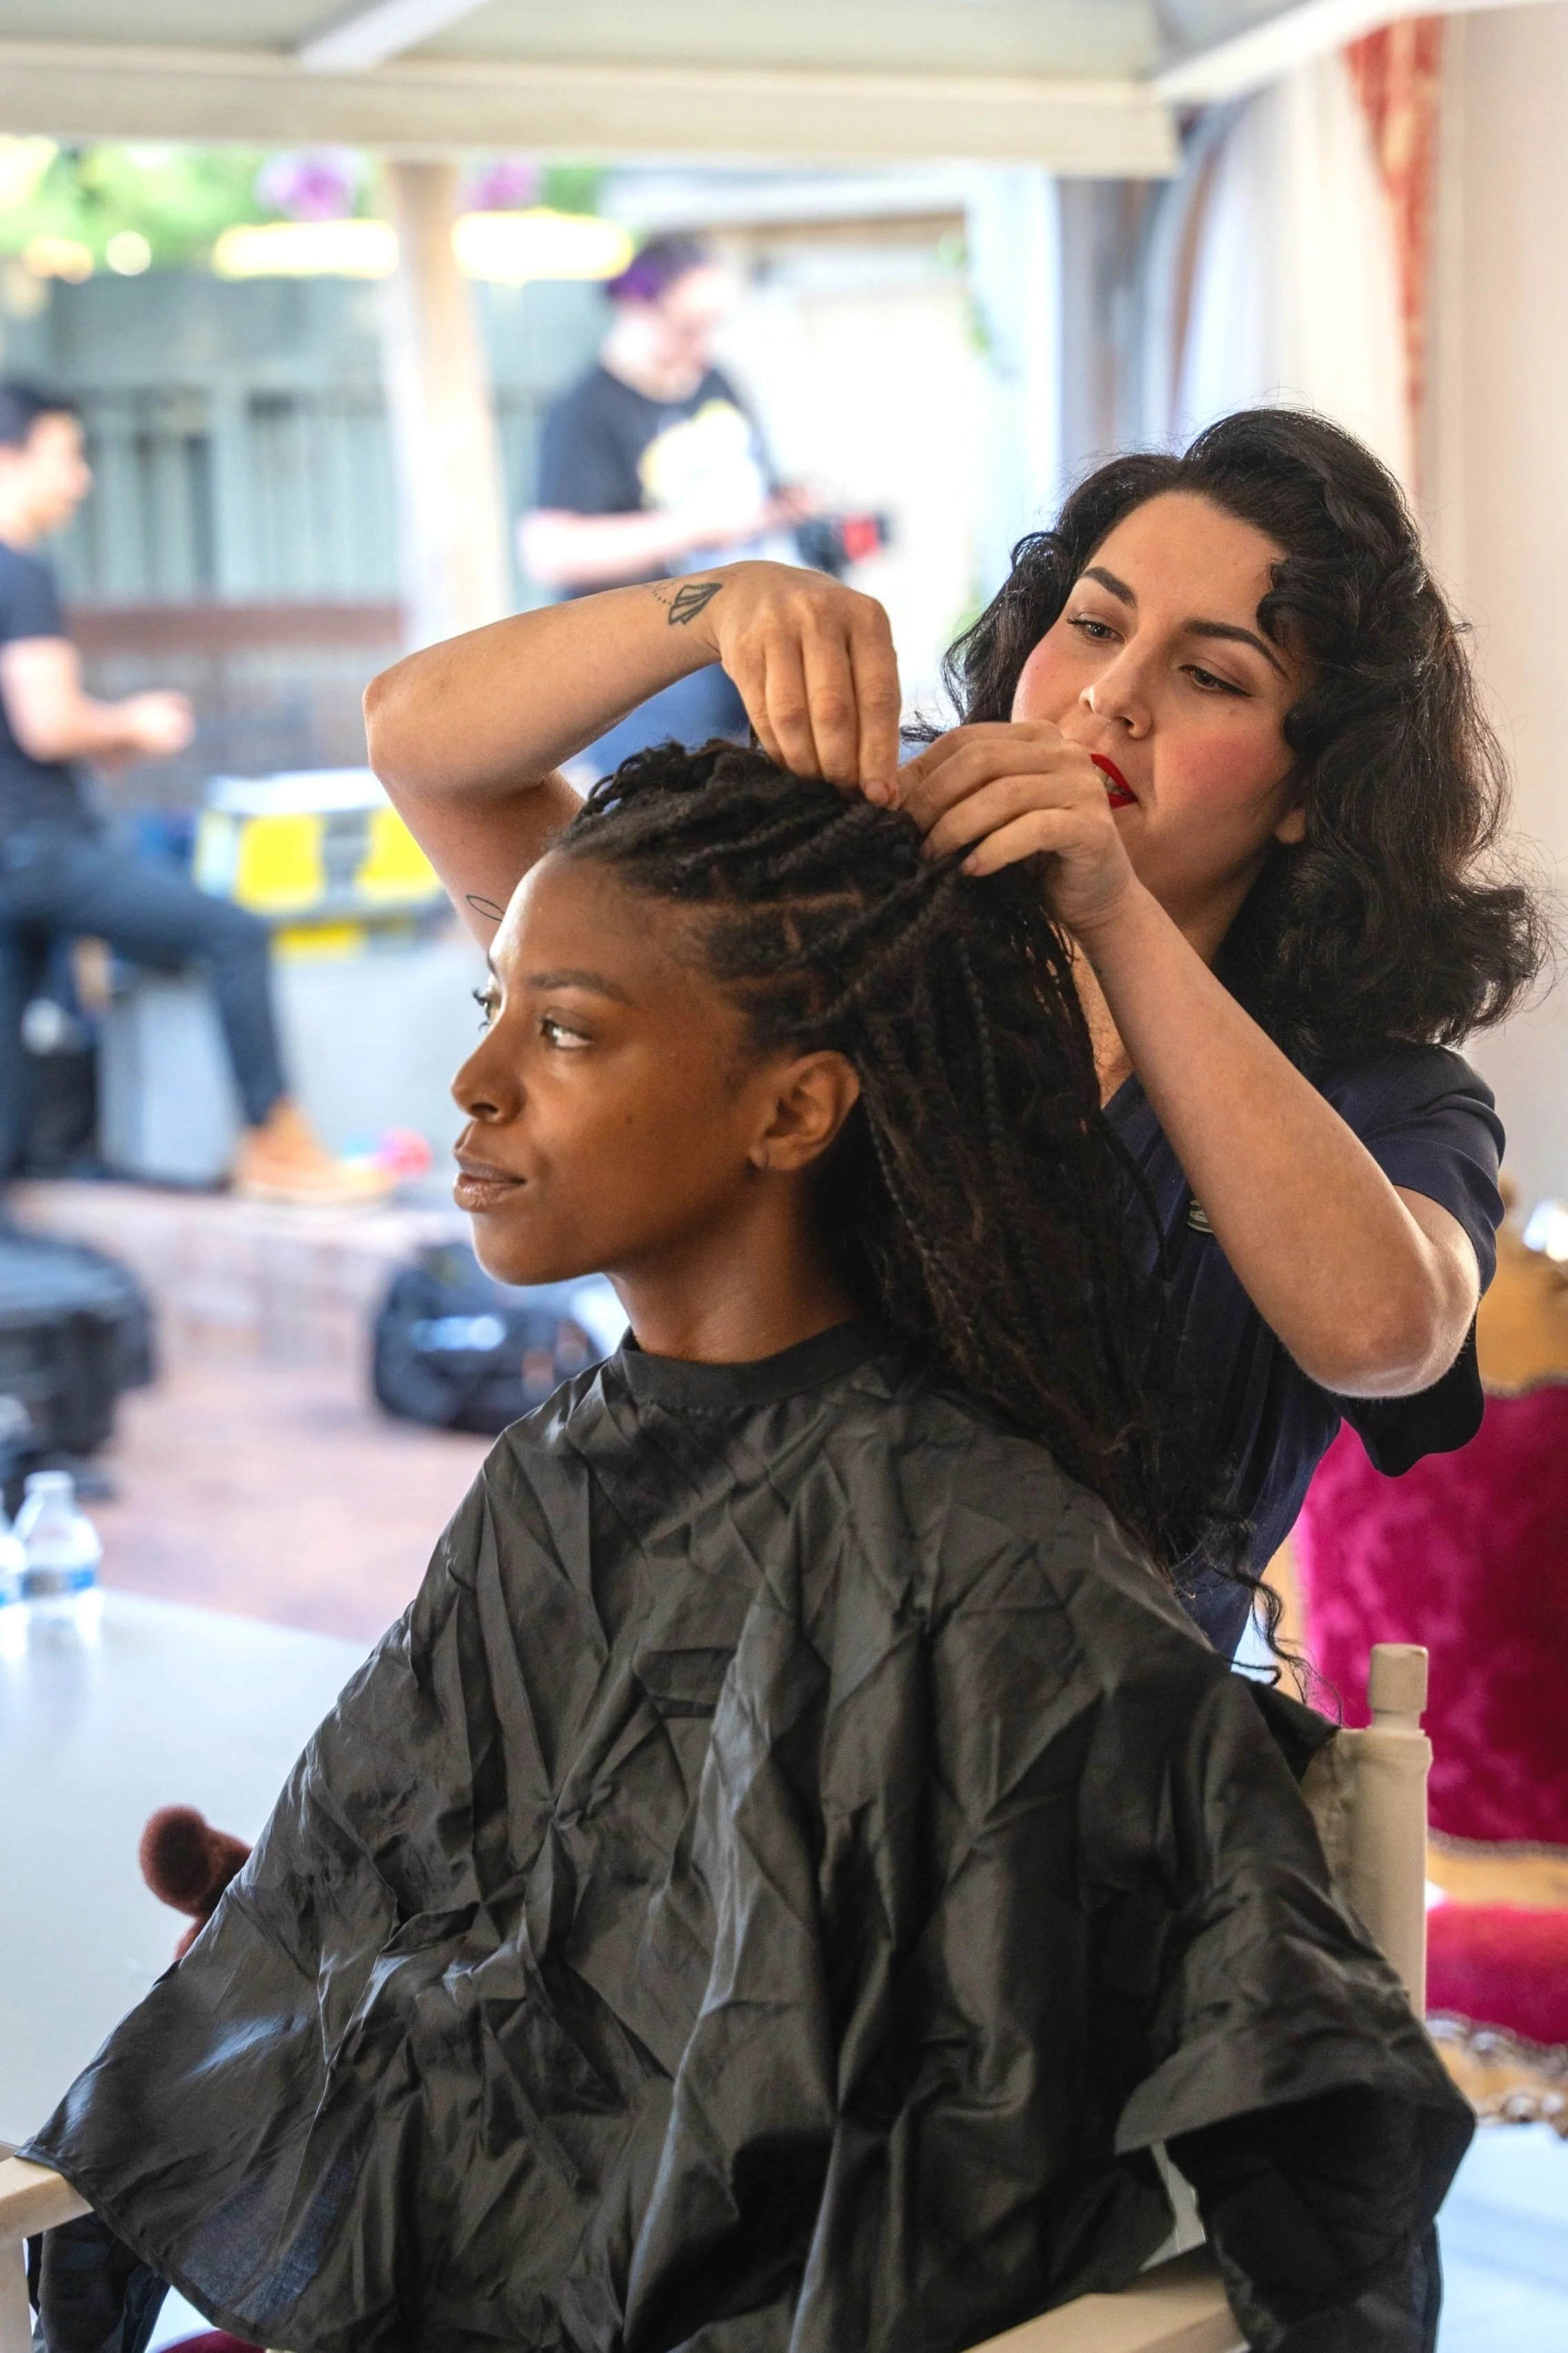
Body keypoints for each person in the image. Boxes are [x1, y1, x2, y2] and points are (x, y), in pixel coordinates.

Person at [28, 745, 1471, 2353]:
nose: (477, 1083)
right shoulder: (553, 1478)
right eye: (490, 1011)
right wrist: (314, 1941)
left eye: (565, 1029)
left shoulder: (991, 1556)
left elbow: (1283, 2100)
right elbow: (435, 1901)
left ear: (793, 1107)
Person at [364, 408, 1545, 1655]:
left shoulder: (1386, 1100)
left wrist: (1112, 913)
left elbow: (1383, 1335)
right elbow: (424, 750)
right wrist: (713, 604)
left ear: (1313, 793)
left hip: (1079, 1788)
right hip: (705, 1718)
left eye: (1209, 676)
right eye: (1089, 624)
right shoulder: (821, 945)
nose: (1109, 696)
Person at [0, 382, 390, 1204]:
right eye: (66, 456)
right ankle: (274, 1146)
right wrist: (129, 725)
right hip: (35, 849)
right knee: (231, 933)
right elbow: (47, 723)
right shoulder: (20, 573)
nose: (80, 480)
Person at [520, 235, 808, 776]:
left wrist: (781, 507)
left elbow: (750, 493)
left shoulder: (714, 383)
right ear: (634, 308)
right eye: (686, 328)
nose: (702, 346)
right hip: (644, 686)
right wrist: (694, 529)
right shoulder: (588, 411)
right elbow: (550, 550)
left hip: (734, 657)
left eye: (711, 326)